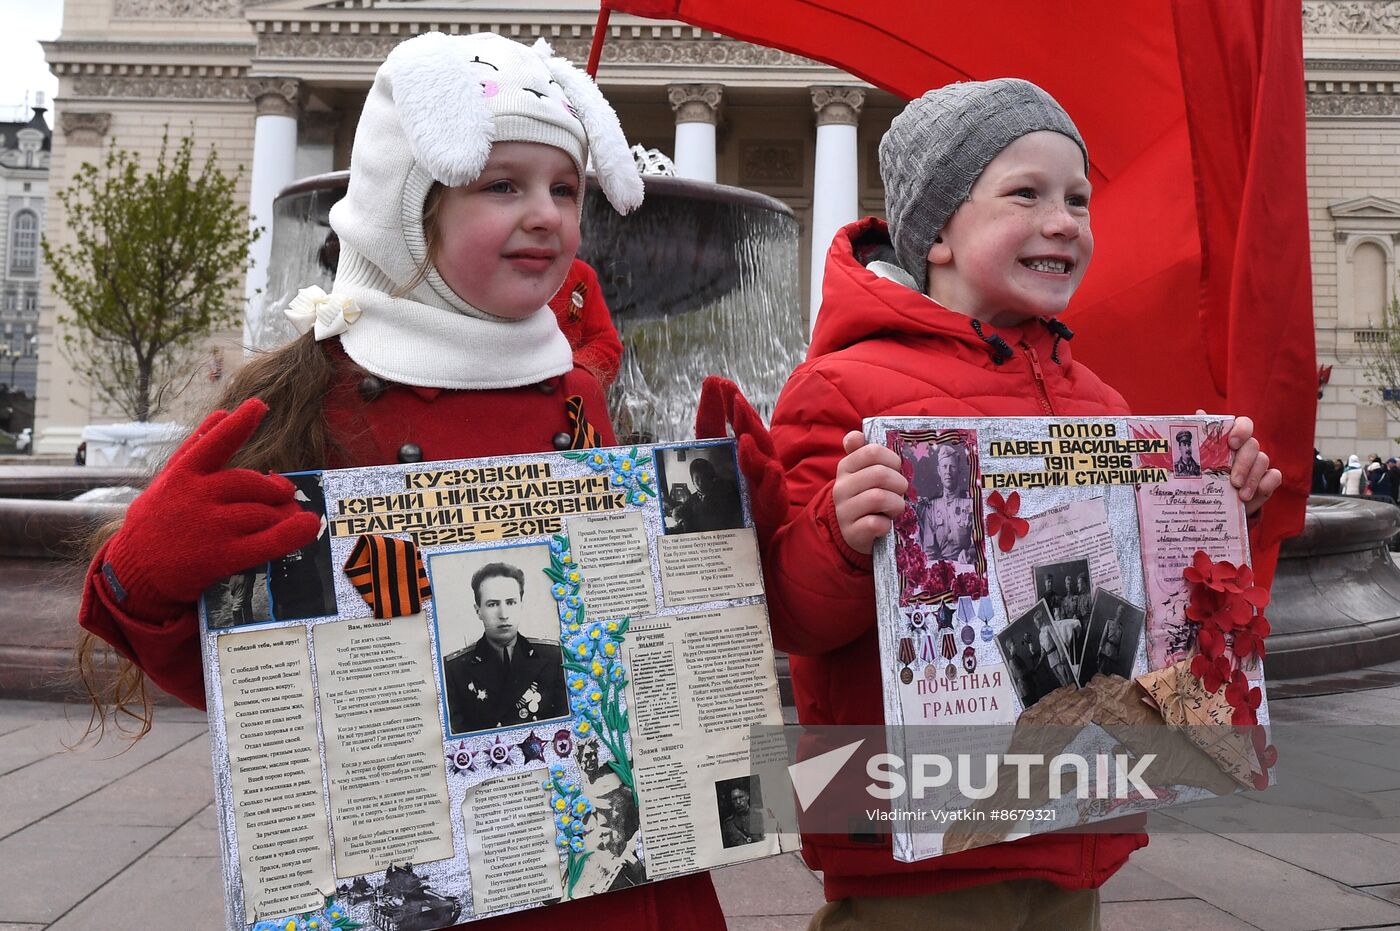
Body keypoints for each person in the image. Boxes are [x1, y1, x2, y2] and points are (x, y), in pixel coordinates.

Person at [73, 32, 724, 931]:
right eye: (503, 185)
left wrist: (719, 540)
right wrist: (145, 575)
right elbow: (257, 685)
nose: (546, 214)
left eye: (565, 188)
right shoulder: (315, 395)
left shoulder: (578, 392)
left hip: (603, 876)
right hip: (415, 871)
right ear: (409, 209)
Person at [743, 79, 1282, 929]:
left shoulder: (1101, 403)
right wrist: (839, 537)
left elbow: (1156, 607)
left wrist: (1218, 514)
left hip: (1076, 831)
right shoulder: (839, 389)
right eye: (1026, 194)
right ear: (939, 235)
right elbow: (791, 617)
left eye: (1078, 199)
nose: (1063, 221)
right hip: (919, 857)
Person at [444, 562, 567, 733]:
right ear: (478, 611)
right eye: (492, 604)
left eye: (511, 602)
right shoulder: (454, 669)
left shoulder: (554, 656)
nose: (503, 615)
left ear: (521, 605)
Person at [927, 443, 974, 563]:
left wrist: (969, 553)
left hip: (966, 566)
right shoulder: (931, 507)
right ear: (939, 470)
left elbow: (980, 544)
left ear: (959, 470)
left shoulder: (971, 504)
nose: (948, 471)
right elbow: (929, 551)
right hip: (939, 568)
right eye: (944, 467)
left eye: (952, 466)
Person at [675, 456, 744, 533]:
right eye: (697, 478)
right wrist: (679, 516)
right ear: (692, 481)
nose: (701, 482)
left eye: (704, 478)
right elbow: (680, 512)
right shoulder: (692, 499)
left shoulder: (724, 496)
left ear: (711, 478)